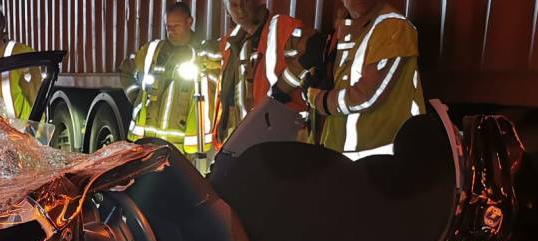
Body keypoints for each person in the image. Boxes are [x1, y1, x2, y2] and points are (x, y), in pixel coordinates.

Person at [303, 0, 425, 159]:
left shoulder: (391, 26)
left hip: (383, 157)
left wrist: (318, 99)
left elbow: (366, 96)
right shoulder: (349, 29)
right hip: (346, 155)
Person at [123, 2, 220, 159]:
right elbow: (126, 69)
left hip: (183, 149)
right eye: (168, 26)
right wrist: (136, 97)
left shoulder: (203, 53)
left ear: (189, 22)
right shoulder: (153, 51)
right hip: (149, 145)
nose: (171, 31)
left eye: (176, 26)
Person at [212, 0, 308, 148]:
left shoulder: (284, 28)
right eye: (234, 4)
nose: (240, 9)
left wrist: (281, 90)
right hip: (240, 139)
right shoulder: (231, 41)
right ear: (227, 10)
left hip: (276, 139)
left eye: (244, 1)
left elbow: (306, 62)